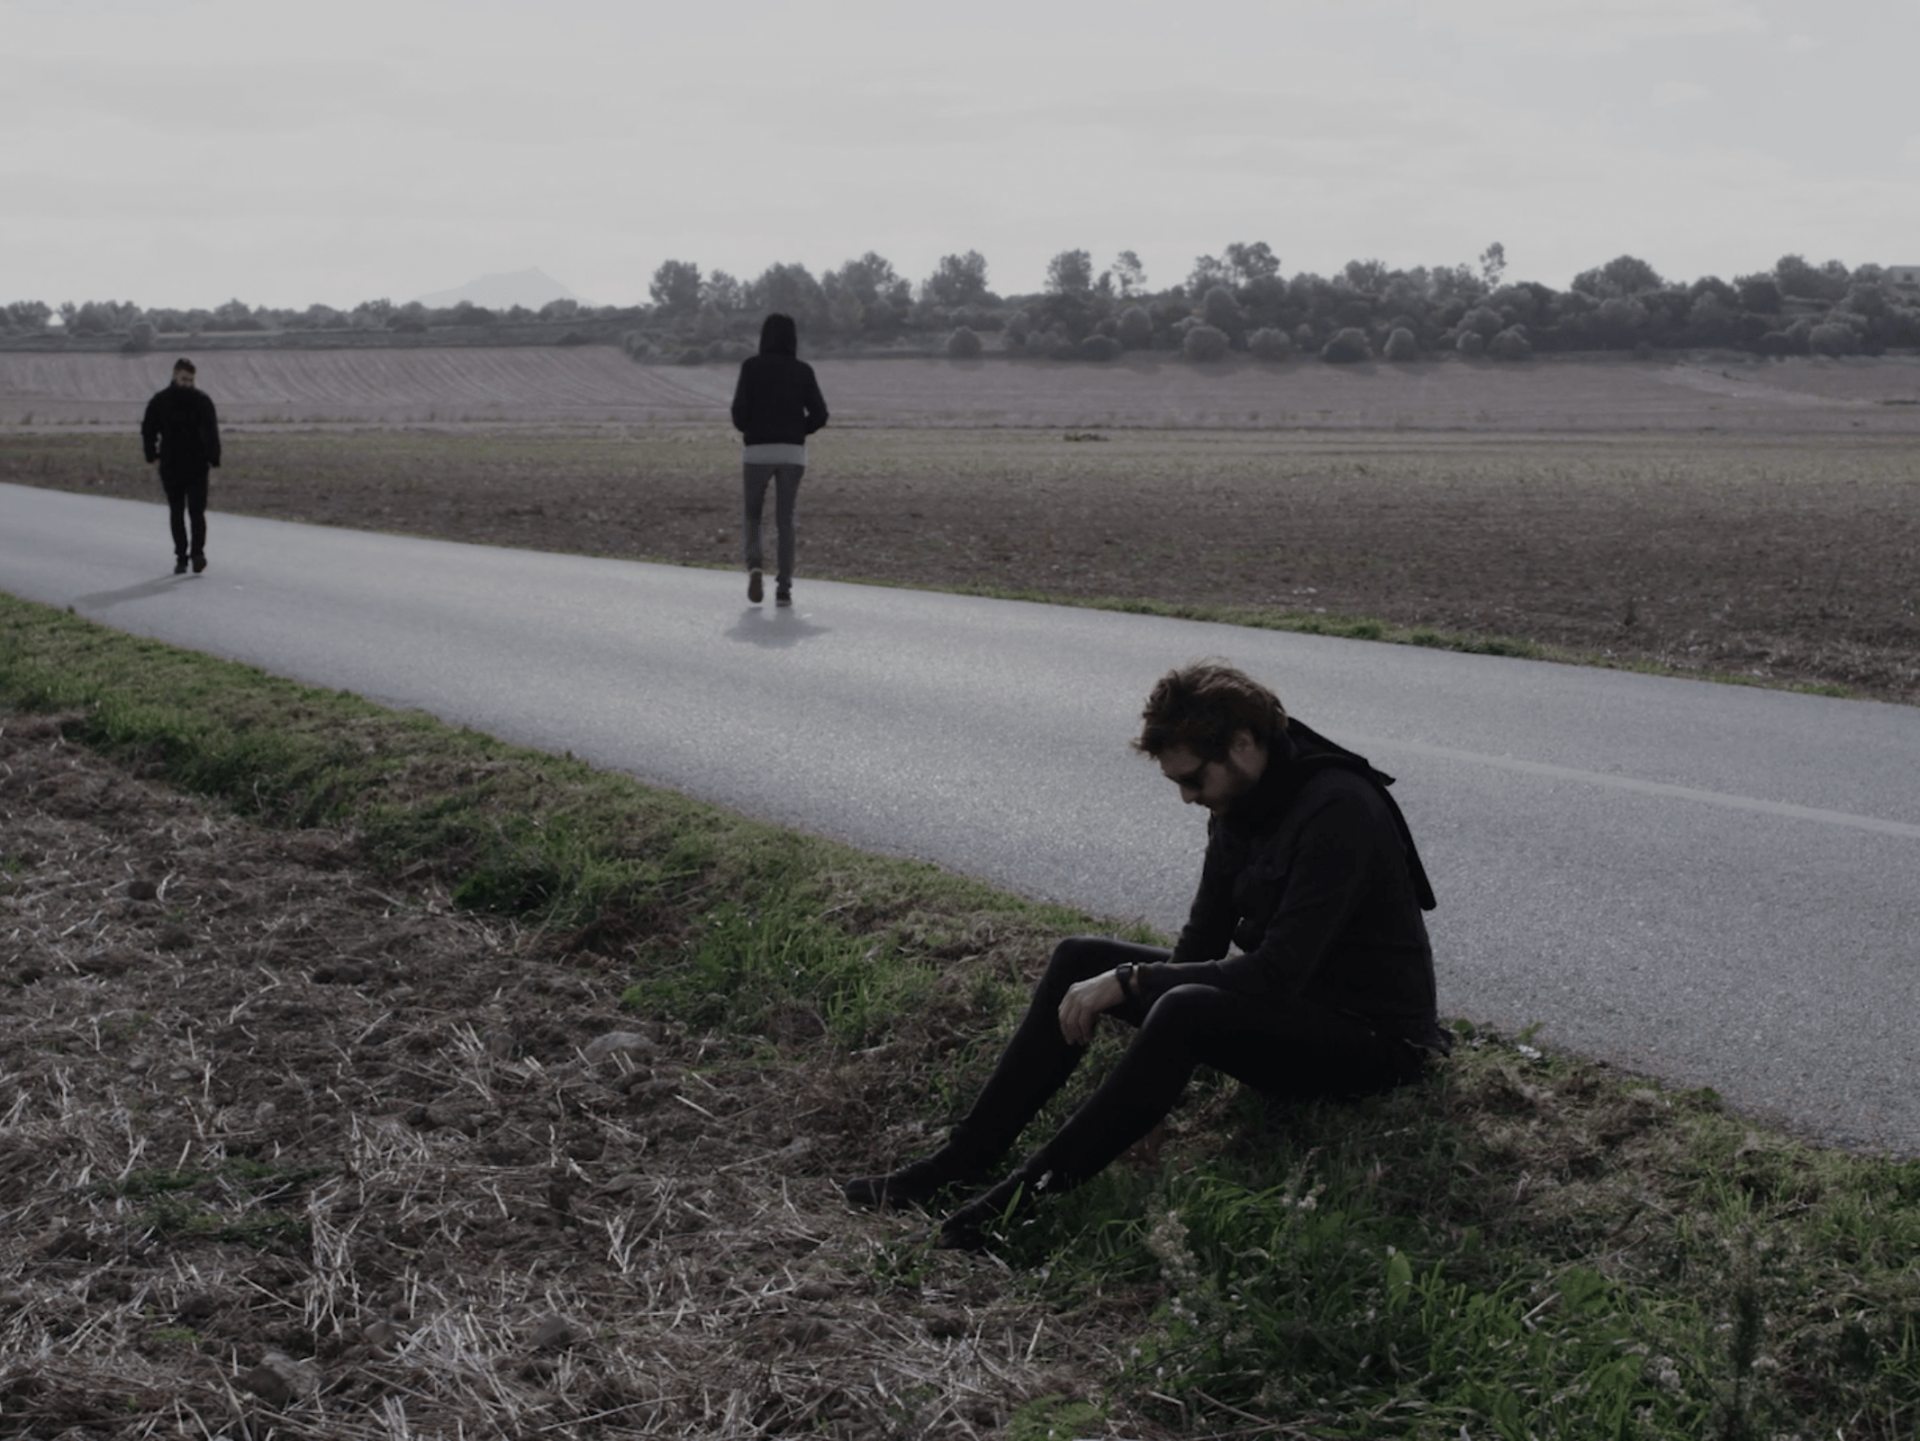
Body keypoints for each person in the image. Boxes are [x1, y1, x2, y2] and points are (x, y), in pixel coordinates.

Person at [844, 659, 1449, 1249]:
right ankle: (961, 1161)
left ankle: (1010, 1208)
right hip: (1293, 1010)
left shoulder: (1338, 807)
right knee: (1081, 958)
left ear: (1242, 744)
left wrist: (1133, 984)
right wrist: (1150, 1073)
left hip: (1373, 1043)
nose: (1186, 797)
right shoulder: (1239, 800)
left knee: (1180, 1005)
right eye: (1176, 782)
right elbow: (1201, 945)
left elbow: (1275, 974)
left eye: (1193, 780)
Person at [729, 313, 828, 607]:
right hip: (792, 453)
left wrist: (753, 428)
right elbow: (821, 414)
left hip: (757, 451)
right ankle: (784, 589)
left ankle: (755, 567)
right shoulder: (803, 371)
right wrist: (798, 430)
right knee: (786, 519)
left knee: (753, 514)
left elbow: (738, 413)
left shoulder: (751, 367)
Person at [140, 357, 223, 574]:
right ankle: (181, 557)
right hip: (171, 463)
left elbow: (211, 432)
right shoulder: (160, 401)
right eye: (184, 379)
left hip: (198, 464)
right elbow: (148, 430)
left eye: (191, 380)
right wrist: (152, 457)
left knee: (197, 511)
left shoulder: (202, 400)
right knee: (176, 511)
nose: (187, 383)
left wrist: (214, 460)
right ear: (175, 375)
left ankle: (198, 554)